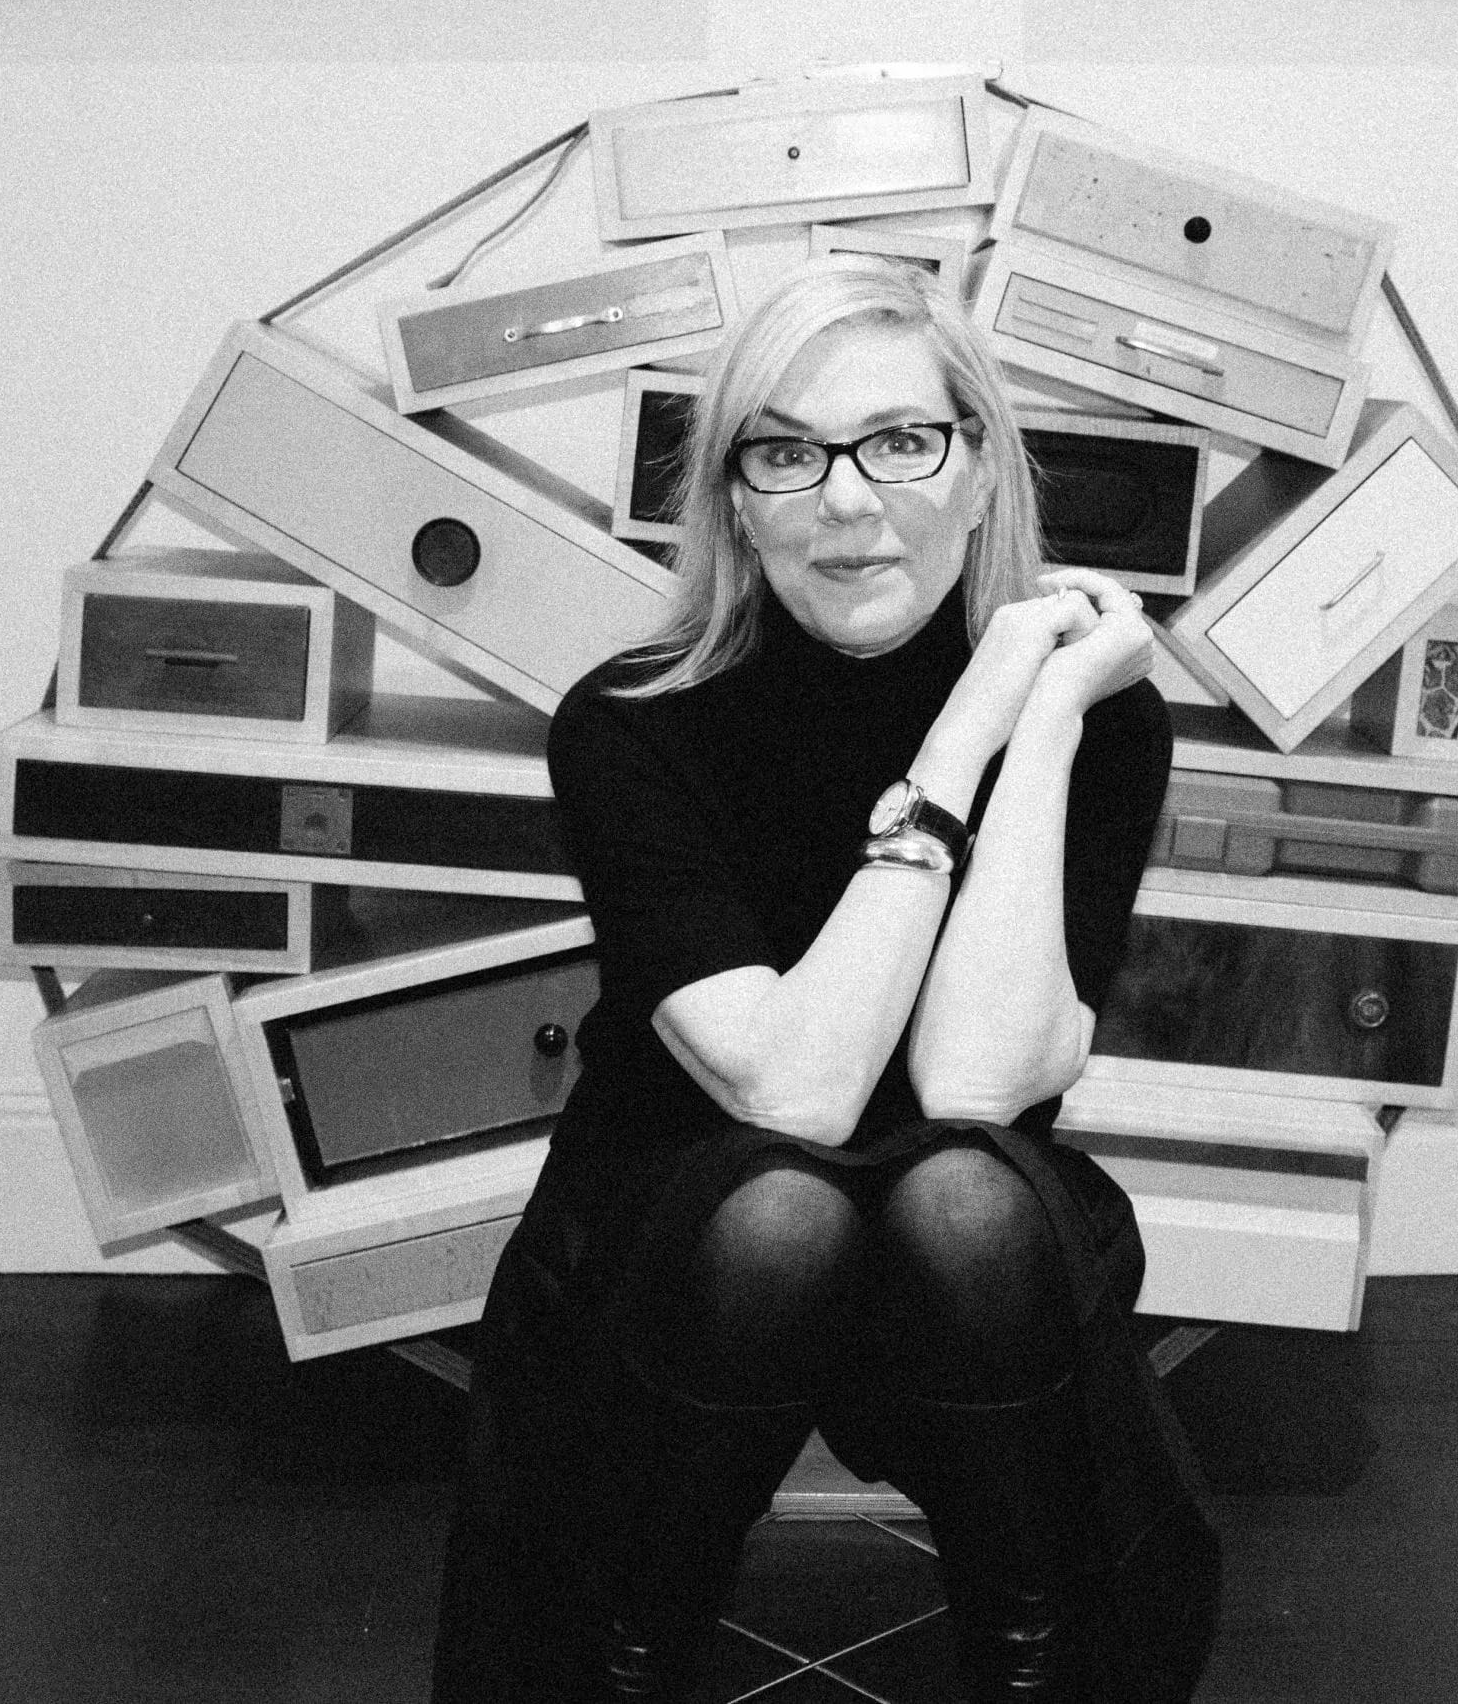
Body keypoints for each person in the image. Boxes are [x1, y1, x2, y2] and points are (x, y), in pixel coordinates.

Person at [430, 258, 1216, 1703]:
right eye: (789, 451)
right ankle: (630, 1651)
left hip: (955, 1248)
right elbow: (796, 1090)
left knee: (963, 1195)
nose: (848, 499)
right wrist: (966, 722)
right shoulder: (626, 724)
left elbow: (974, 1087)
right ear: (736, 496)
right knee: (784, 1214)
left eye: (903, 441)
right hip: (683, 1228)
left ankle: (1030, 1658)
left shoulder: (1099, 721)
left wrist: (1038, 718)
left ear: (982, 472)